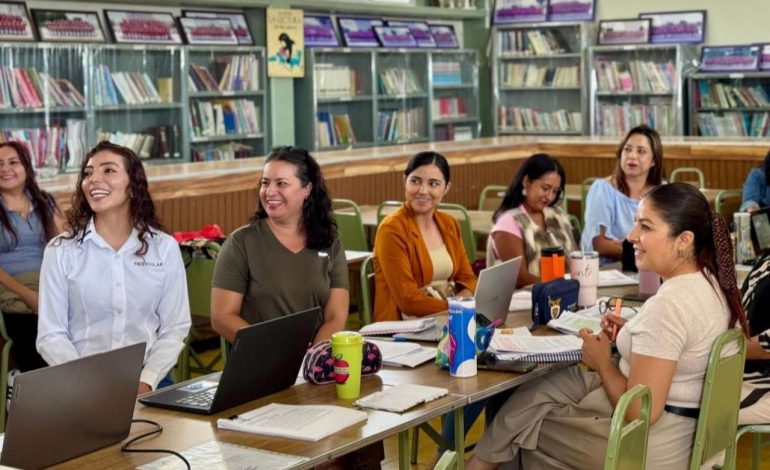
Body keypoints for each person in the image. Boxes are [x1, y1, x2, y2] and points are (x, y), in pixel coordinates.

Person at [467, 183, 749, 470]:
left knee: (522, 430)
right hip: (692, 434)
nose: (631, 236)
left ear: (684, 240)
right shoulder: (713, 284)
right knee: (532, 402)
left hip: (652, 446)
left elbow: (640, 411)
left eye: (645, 227)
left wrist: (602, 361)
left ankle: (477, 464)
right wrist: (634, 332)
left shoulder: (669, 306)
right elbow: (679, 344)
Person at [210, 146, 382, 469]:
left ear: (307, 189)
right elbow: (222, 317)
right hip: (258, 377)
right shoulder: (242, 243)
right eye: (265, 183)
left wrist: (310, 359)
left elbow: (336, 315)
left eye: (281, 183)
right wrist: (277, 354)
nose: (269, 192)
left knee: (360, 437)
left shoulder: (328, 240)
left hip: (316, 371)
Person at [37, 141, 191, 394]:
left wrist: (146, 381)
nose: (93, 179)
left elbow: (175, 327)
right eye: (88, 173)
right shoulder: (61, 250)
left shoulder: (164, 247)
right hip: (80, 381)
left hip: (148, 379)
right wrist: (86, 382)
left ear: (133, 186)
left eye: (108, 170)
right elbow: (50, 335)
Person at [373, 151, 477, 322]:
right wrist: (459, 309)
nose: (423, 191)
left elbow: (468, 279)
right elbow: (408, 301)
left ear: (446, 188)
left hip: (446, 319)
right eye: (415, 181)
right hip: (403, 327)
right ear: (404, 181)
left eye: (433, 184)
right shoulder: (391, 229)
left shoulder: (449, 223)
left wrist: (461, 306)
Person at [0, 141, 63, 372]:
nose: (5, 169)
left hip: (48, 283)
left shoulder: (45, 201)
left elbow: (64, 244)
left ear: (26, 167)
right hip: (12, 287)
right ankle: (37, 388)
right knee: (35, 333)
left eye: (13, 162)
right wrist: (29, 296)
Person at [489, 153, 575, 287]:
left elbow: (574, 256)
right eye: (545, 188)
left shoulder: (557, 215)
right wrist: (558, 288)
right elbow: (520, 277)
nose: (549, 196)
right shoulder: (509, 222)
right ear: (526, 182)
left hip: (565, 291)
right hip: (529, 295)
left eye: (555, 191)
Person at [581, 125, 665, 262]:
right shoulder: (602, 189)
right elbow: (600, 245)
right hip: (607, 269)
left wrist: (626, 246)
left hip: (650, 266)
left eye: (641, 151)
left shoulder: (662, 192)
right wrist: (644, 249)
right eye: (627, 149)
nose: (632, 156)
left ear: (654, 160)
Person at [739, 237, 770, 424]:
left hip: (762, 381)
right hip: (747, 369)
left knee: (694, 408)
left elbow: (766, 346)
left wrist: (719, 349)